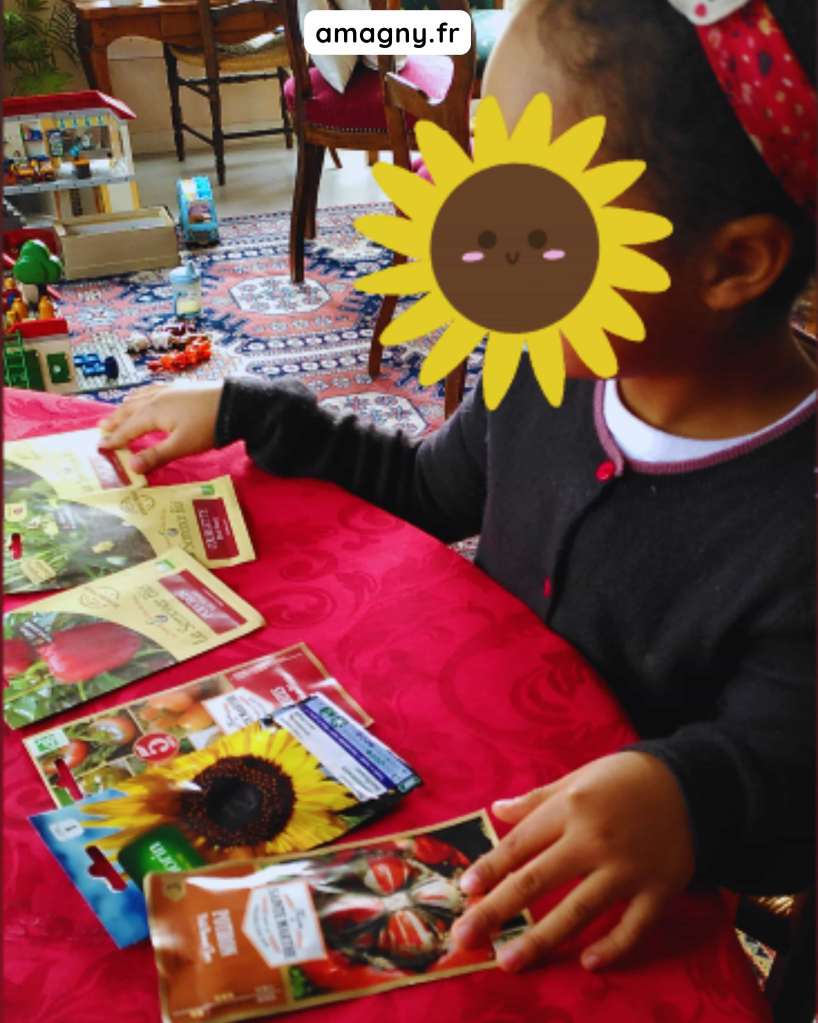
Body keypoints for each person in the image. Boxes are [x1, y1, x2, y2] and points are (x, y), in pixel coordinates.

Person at [99, 0, 815, 976]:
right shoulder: (545, 370)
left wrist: (686, 792)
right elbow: (424, 486)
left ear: (730, 262)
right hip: (474, 783)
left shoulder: (795, 524)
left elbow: (788, 769)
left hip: (613, 894)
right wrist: (247, 413)